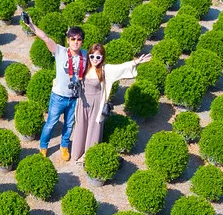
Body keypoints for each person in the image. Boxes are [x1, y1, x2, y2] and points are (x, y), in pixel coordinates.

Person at [71, 43, 151, 163]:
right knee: (81, 125)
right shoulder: (83, 67)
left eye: (98, 57)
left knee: (94, 127)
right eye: (92, 56)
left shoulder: (105, 69)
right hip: (83, 102)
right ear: (89, 56)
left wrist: (136, 62)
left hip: (97, 103)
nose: (95, 60)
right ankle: (77, 152)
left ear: (102, 57)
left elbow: (120, 67)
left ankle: (88, 155)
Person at [24, 13, 86, 161]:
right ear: (68, 40)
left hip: (74, 97)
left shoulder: (85, 55)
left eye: (79, 39)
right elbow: (44, 37)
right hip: (59, 96)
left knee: (69, 125)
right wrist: (30, 25)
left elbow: (98, 64)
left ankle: (64, 146)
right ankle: (43, 146)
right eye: (73, 39)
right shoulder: (60, 51)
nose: (76, 42)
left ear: (82, 41)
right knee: (51, 123)